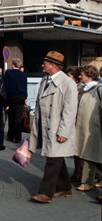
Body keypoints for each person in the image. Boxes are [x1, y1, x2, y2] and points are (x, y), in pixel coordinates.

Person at [29, 51, 78, 204]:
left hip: (57, 128)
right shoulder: (45, 80)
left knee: (53, 160)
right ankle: (65, 188)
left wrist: (64, 131)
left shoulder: (68, 83)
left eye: (45, 62)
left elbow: (70, 110)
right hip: (45, 126)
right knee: (55, 157)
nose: (43, 65)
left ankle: (45, 192)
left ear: (54, 65)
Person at [74, 65, 102, 192]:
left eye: (82, 74)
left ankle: (87, 182)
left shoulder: (98, 89)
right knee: (89, 154)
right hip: (81, 126)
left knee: (89, 154)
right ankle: (98, 179)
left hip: (93, 127)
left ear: (90, 75)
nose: (80, 76)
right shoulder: (82, 89)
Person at [4, 58, 28, 144]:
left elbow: (6, 87)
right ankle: (18, 137)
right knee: (18, 118)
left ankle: (10, 135)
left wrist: (5, 101)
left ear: (13, 64)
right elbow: (25, 87)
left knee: (11, 117)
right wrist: (25, 98)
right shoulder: (23, 75)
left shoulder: (8, 73)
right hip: (21, 97)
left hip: (11, 97)